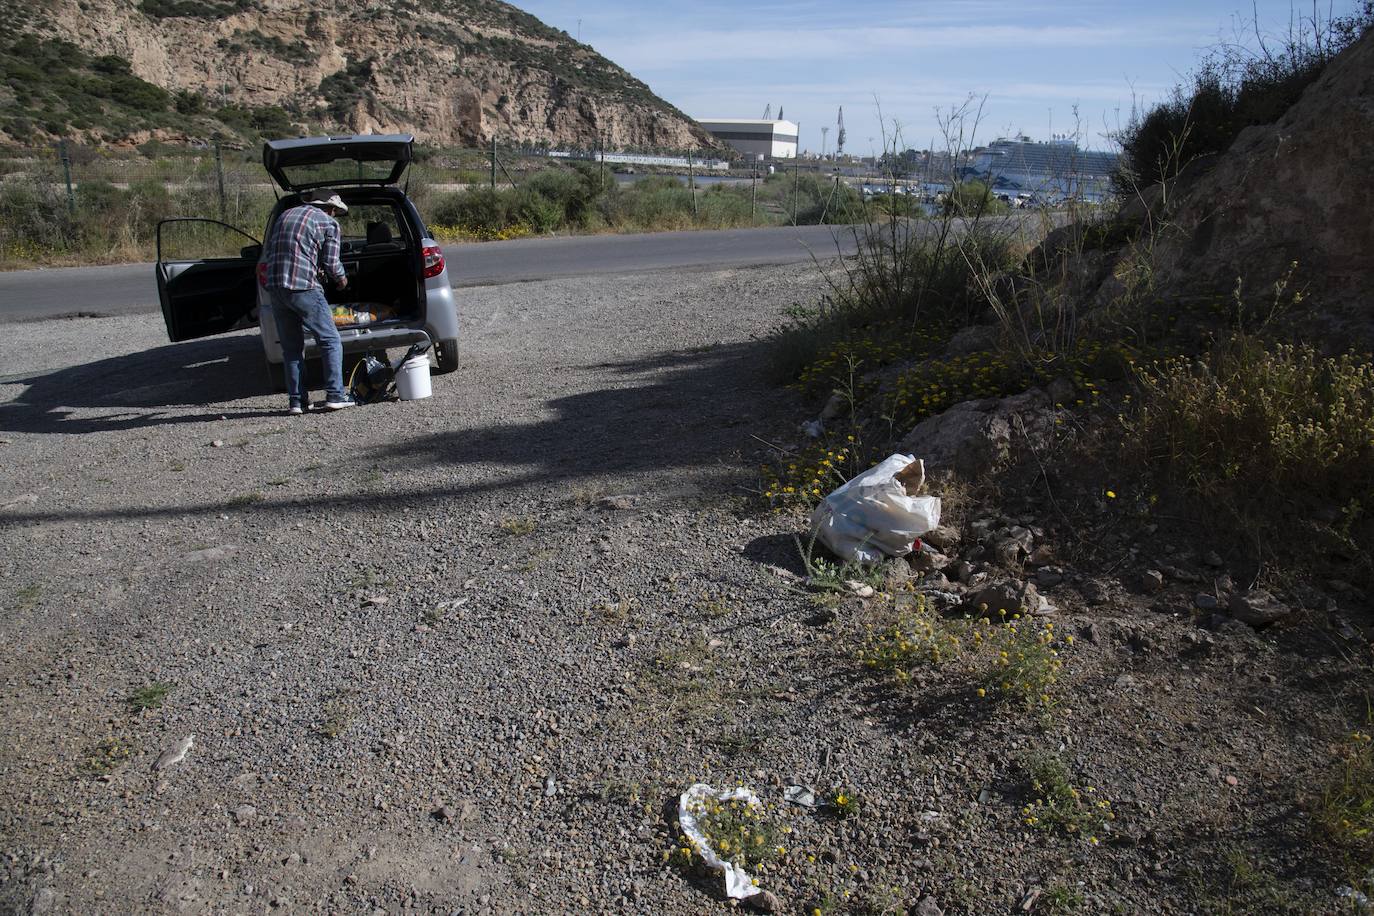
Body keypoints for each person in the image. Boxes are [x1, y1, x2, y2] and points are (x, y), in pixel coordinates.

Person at [263, 191, 356, 414]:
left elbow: (272, 251)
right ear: (331, 209)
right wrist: (343, 281)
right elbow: (332, 263)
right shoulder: (328, 222)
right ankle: (335, 395)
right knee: (330, 340)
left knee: (292, 348)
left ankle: (297, 402)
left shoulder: (284, 215)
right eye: (335, 211)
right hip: (303, 286)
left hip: (275, 288)